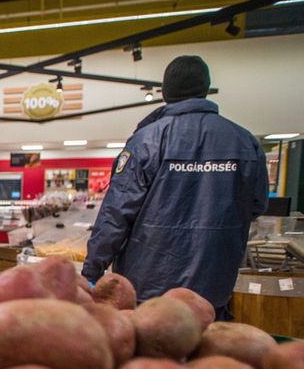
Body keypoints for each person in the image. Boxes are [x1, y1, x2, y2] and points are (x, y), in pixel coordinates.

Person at [82, 55, 268, 320]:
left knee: (153, 353)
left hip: (149, 285)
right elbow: (257, 204)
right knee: (210, 354)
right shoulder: (244, 141)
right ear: (205, 89)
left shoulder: (147, 141)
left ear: (165, 92)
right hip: (214, 284)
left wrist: (91, 274)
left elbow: (116, 215)